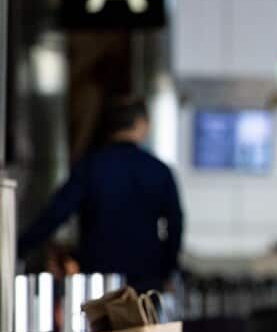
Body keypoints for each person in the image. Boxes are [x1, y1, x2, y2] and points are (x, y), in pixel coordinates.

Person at [19, 99, 183, 293]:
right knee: (144, 324)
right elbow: (175, 223)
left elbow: (56, 213)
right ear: (141, 124)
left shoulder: (90, 167)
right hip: (145, 278)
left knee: (97, 324)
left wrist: (20, 246)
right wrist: (167, 268)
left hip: (98, 279)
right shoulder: (159, 170)